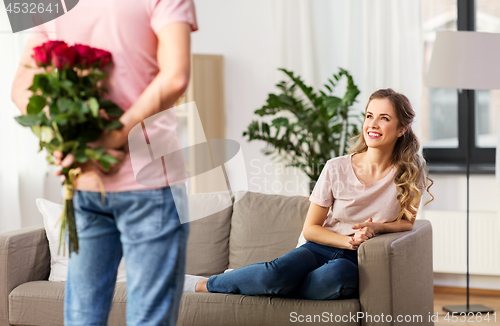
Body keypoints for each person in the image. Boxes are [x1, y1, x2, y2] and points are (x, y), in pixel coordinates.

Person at [11, 0, 198, 325]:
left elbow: (21, 88)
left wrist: (66, 142)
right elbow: (176, 77)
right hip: (151, 181)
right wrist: (112, 139)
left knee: (83, 318)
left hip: (84, 183)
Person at [185, 88, 434, 300]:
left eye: (384, 118)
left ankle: (254, 282)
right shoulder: (336, 167)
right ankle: (205, 284)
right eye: (369, 116)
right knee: (276, 273)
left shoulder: (412, 171)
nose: (373, 124)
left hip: (357, 259)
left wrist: (376, 228)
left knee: (335, 278)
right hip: (319, 247)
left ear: (402, 128)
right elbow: (311, 229)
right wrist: (349, 240)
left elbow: (407, 221)